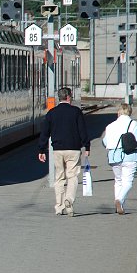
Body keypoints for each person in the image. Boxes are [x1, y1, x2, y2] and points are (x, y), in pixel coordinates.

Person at [37, 87, 90, 217]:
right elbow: (82, 130)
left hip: (58, 150)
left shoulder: (52, 113)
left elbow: (45, 133)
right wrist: (87, 146)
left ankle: (59, 207)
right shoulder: (76, 112)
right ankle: (69, 200)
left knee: (59, 177)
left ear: (58, 98)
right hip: (73, 149)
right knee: (72, 176)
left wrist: (41, 149)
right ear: (69, 97)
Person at [101, 103, 137, 215]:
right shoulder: (133, 123)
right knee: (128, 182)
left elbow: (105, 142)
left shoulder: (110, 125)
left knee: (118, 180)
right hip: (130, 155)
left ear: (118, 112)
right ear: (129, 112)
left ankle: (118, 205)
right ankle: (119, 200)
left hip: (114, 156)